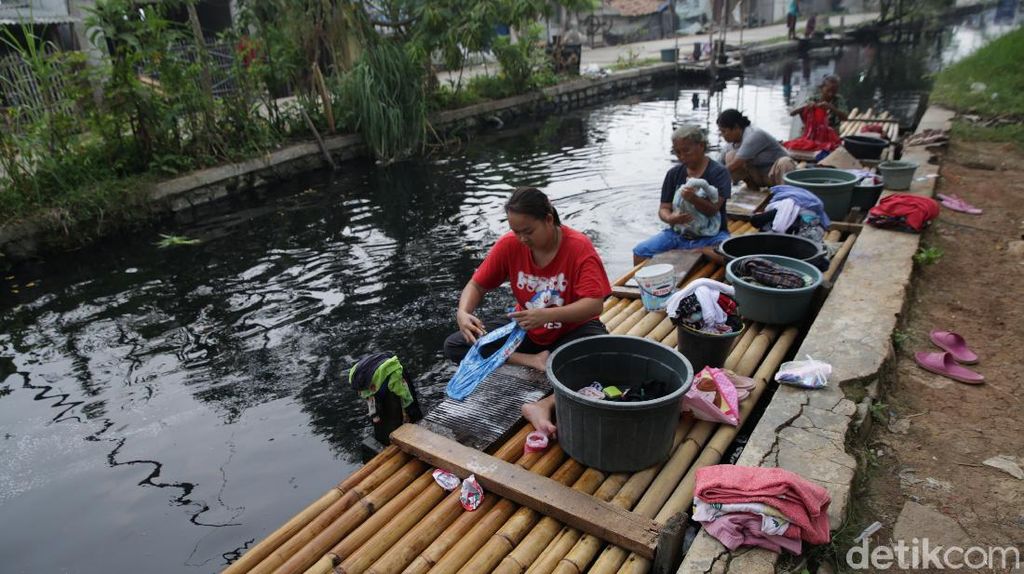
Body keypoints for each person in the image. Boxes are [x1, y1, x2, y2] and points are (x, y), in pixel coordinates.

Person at [443, 187, 612, 436]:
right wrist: (463, 311)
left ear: (548, 219)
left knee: (604, 355)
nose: (522, 238)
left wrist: (548, 315)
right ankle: (533, 361)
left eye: (528, 231)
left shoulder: (578, 248)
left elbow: (594, 304)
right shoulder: (510, 245)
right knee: (456, 344)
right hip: (526, 330)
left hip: (571, 330)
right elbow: (477, 284)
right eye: (516, 232)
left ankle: (543, 404)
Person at [633, 124, 732, 265]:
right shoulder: (674, 174)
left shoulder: (719, 172)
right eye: (677, 152)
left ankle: (701, 250)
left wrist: (694, 199)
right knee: (640, 252)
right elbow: (664, 208)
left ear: (702, 146)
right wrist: (670, 218)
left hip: (711, 235)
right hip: (678, 234)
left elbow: (713, 210)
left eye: (686, 151)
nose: (682, 157)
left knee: (728, 257)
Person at [717, 109, 797, 190]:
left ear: (736, 127)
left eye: (724, 131)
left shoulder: (753, 134)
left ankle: (786, 193)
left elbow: (736, 163)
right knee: (730, 156)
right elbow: (717, 165)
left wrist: (715, 175)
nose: (722, 135)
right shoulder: (729, 145)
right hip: (759, 176)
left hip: (775, 174)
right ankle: (753, 189)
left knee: (785, 162)